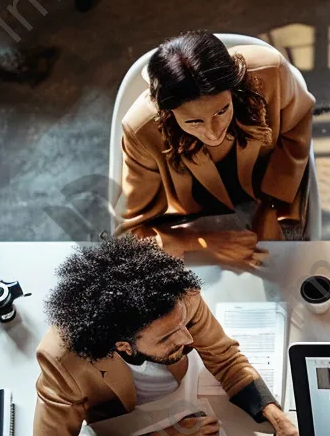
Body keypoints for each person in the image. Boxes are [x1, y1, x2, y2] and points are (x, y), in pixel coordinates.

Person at [32, 236, 301, 436]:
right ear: (124, 346)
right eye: (167, 338)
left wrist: (277, 418)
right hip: (126, 424)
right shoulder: (61, 362)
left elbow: (226, 358)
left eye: (185, 324)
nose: (188, 340)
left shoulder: (177, 295)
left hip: (190, 400)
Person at [117, 31, 315, 268]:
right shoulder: (141, 129)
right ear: (168, 113)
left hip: (274, 191)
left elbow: (297, 125)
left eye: (221, 111)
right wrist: (200, 242)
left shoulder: (269, 72)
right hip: (194, 220)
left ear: (234, 88)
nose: (212, 132)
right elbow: (127, 238)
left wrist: (272, 204)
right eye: (193, 122)